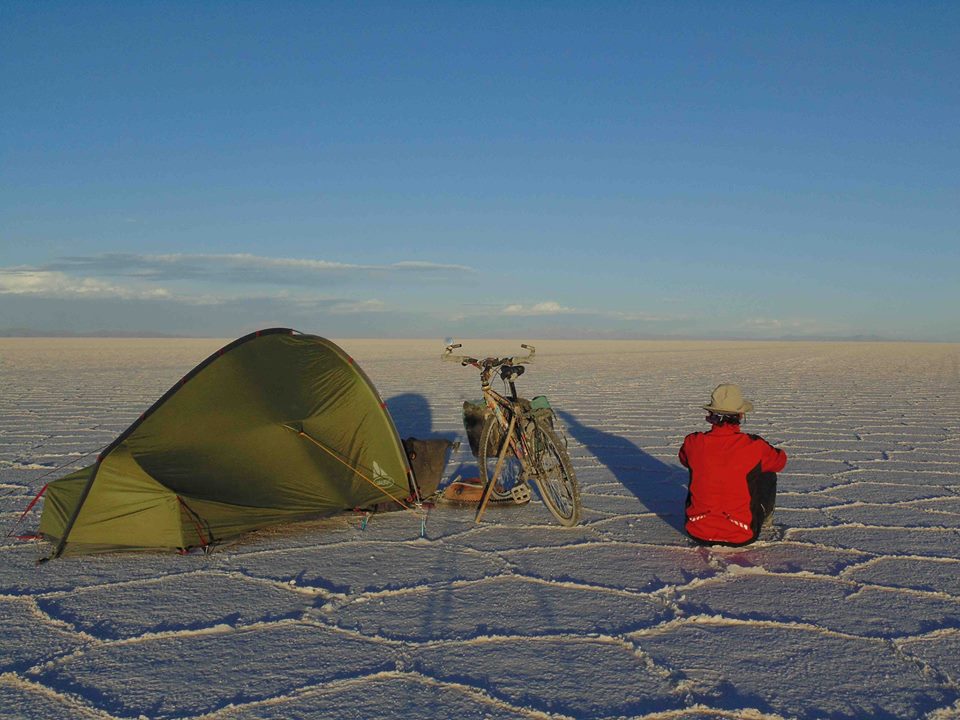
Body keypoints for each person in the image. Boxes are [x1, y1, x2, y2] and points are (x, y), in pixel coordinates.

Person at [678, 384, 787, 546]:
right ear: (741, 415)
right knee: (766, 472)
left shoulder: (693, 442)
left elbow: (684, 460)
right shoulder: (754, 445)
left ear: (710, 414)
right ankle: (763, 520)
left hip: (696, 530)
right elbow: (780, 462)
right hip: (741, 533)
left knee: (699, 468)